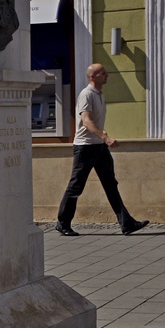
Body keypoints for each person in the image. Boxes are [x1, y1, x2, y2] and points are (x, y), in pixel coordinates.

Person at [55, 63, 149, 237]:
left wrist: (102, 139)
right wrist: (105, 137)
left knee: (110, 184)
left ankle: (127, 223)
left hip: (98, 147)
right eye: (102, 73)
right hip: (85, 147)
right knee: (76, 186)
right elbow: (87, 121)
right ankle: (63, 223)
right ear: (92, 76)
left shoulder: (99, 94)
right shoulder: (87, 94)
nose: (107, 75)